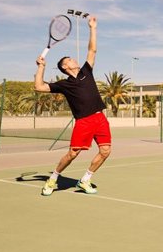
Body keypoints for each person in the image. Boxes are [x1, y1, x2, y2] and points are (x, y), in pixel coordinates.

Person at [34, 15, 111, 196]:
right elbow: (38, 87)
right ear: (65, 66)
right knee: (72, 154)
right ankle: (52, 179)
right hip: (83, 121)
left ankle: (85, 180)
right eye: (69, 59)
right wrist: (41, 67)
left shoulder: (86, 71)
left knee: (106, 151)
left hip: (99, 118)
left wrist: (92, 28)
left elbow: (92, 51)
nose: (73, 60)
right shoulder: (63, 84)